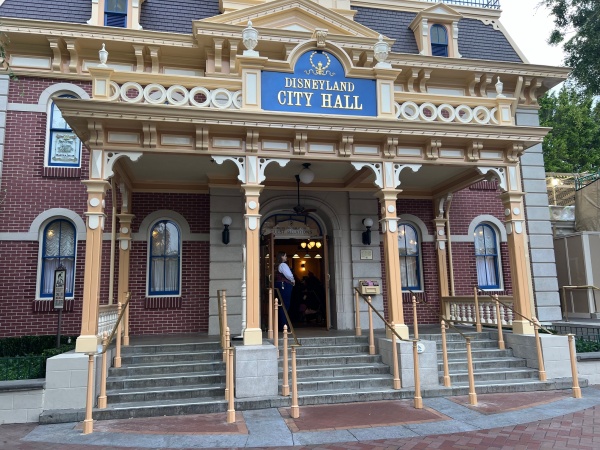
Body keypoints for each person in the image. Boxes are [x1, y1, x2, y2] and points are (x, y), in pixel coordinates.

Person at [275, 252, 295, 330]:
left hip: (280, 285)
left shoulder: (278, 265)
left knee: (282, 305)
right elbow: (289, 275)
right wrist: (293, 280)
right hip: (285, 285)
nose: (286, 257)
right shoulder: (283, 265)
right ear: (282, 257)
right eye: (285, 256)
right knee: (285, 305)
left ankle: (282, 324)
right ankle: (283, 325)